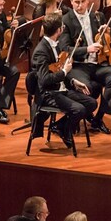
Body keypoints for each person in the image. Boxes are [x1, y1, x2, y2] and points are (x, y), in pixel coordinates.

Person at [60, 0, 111, 135]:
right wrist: (86, 49)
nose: (80, 5)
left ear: (88, 1)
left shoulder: (96, 16)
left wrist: (104, 32)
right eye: (76, 2)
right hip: (78, 66)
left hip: (97, 63)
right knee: (87, 89)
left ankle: (98, 119)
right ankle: (84, 116)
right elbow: (65, 49)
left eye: (83, 1)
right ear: (71, 1)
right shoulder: (66, 20)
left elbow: (104, 39)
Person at [30, 12, 98, 149]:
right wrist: (64, 72)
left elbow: (58, 70)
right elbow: (44, 80)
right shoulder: (41, 51)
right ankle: (63, 129)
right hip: (49, 94)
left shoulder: (58, 44)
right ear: (59, 30)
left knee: (91, 103)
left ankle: (60, 127)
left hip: (62, 89)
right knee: (78, 110)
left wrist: (73, 81)